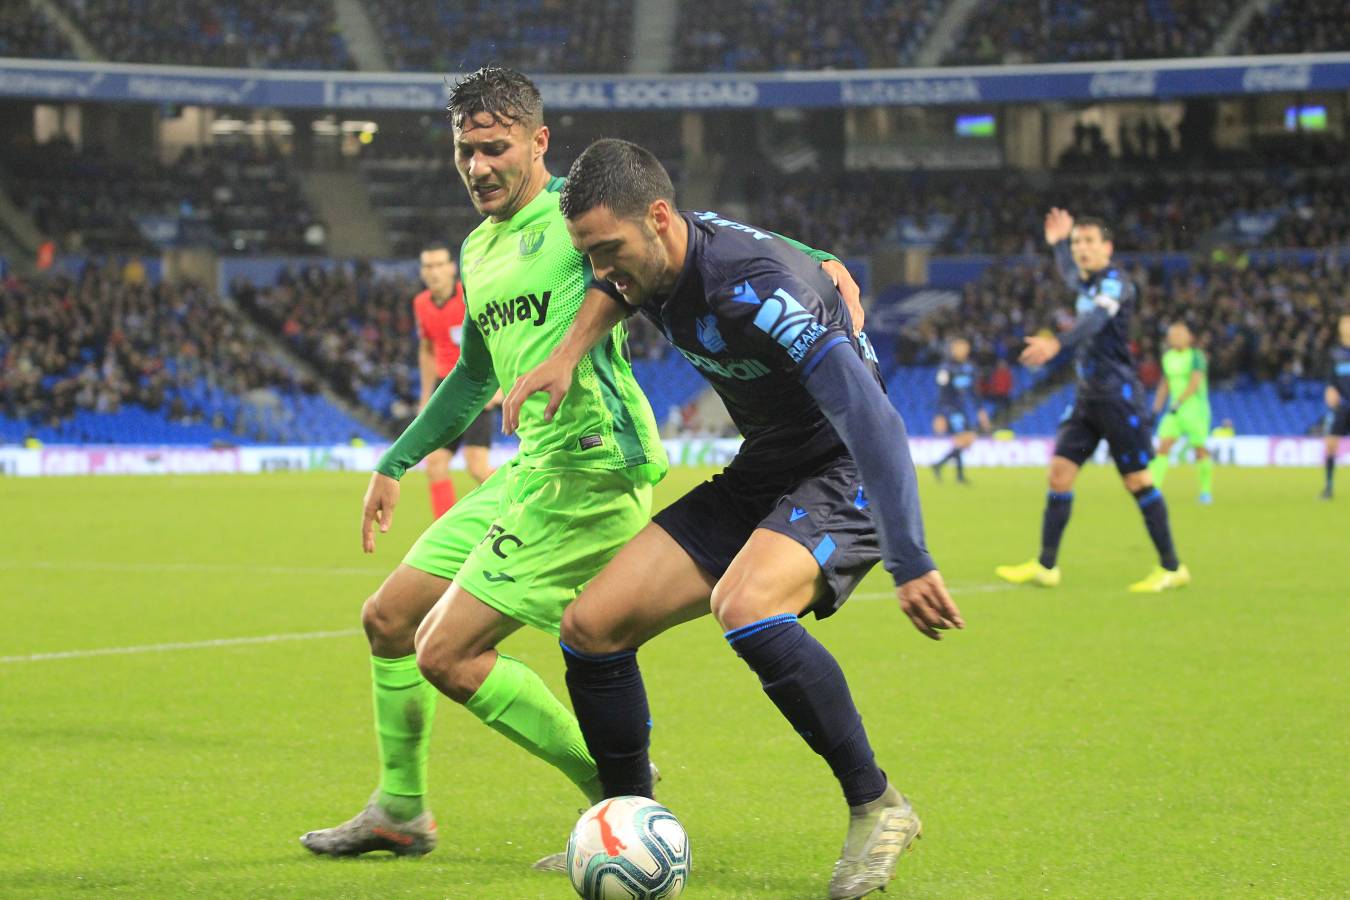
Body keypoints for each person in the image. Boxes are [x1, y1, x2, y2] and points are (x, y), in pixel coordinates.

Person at [301, 68, 862, 867]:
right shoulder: (478, 249)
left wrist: (820, 256)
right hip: (532, 468)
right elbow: (473, 374)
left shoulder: (582, 214)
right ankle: (400, 811)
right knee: (388, 619)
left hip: (593, 467)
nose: (477, 166)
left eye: (494, 148)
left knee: (444, 653)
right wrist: (397, 458)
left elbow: (697, 233)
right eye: (465, 150)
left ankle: (619, 798)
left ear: (538, 141)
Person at [503, 139, 962, 900]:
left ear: (658, 217)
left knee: (744, 604)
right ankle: (628, 822)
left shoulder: (752, 287)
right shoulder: (651, 257)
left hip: (843, 466)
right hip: (765, 466)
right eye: (586, 254)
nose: (600, 270)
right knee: (590, 627)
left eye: (607, 249)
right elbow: (619, 288)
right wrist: (567, 353)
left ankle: (878, 804)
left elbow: (872, 418)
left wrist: (909, 557)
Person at [995, 209, 1189, 593]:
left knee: (1137, 481)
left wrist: (1058, 343)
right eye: (1077, 242)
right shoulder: (1086, 282)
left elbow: (1095, 320)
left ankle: (1172, 567)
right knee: (1059, 475)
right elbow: (1071, 274)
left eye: (1089, 242)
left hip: (1118, 397)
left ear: (1107, 248)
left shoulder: (1117, 284)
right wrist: (1057, 245)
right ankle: (1046, 566)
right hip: (1087, 398)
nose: (1081, 249)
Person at [412, 241, 501, 518]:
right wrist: (425, 397)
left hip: (476, 383)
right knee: (435, 463)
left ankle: (518, 505)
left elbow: (498, 338)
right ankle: (444, 530)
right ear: (422, 272)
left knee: (477, 466)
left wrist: (498, 387)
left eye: (440, 264)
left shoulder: (472, 295)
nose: (434, 271)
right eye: (428, 266)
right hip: (446, 389)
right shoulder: (421, 304)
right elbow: (427, 349)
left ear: (452, 268)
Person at [1148, 322, 1214, 503]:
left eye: (1179, 334)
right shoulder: (1168, 358)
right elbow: (1165, 384)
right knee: (1163, 446)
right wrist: (1155, 409)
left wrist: (1179, 402)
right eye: (1173, 335)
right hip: (1174, 410)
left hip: (1195, 410)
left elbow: (1195, 382)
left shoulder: (1196, 356)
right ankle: (1154, 489)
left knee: (1199, 449)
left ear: (1189, 337)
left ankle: (1206, 491)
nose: (1175, 337)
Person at [930, 337, 990, 483]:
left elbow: (973, 392)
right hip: (949, 409)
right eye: (959, 347)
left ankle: (942, 467)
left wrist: (980, 411)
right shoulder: (946, 368)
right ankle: (956, 474)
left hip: (961, 408)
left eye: (965, 347)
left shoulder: (970, 368)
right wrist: (940, 415)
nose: (962, 350)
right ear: (953, 349)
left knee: (964, 440)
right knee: (965, 438)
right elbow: (942, 392)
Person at [1321, 313, 1350, 500]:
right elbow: (1330, 380)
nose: (1347, 326)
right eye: (1344, 323)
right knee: (1330, 445)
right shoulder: (1335, 353)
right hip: (1342, 406)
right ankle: (1328, 487)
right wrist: (1330, 390)